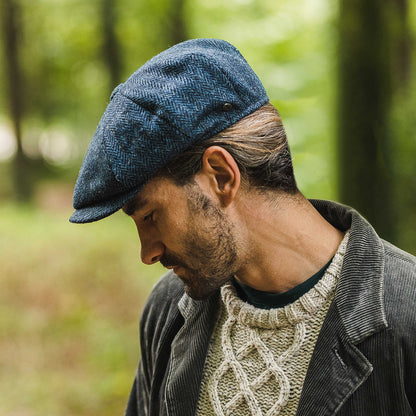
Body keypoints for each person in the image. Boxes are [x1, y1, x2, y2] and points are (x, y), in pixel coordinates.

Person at [70, 39, 416, 416]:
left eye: (150, 216)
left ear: (221, 175)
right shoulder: (167, 309)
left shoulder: (407, 315)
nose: (148, 252)